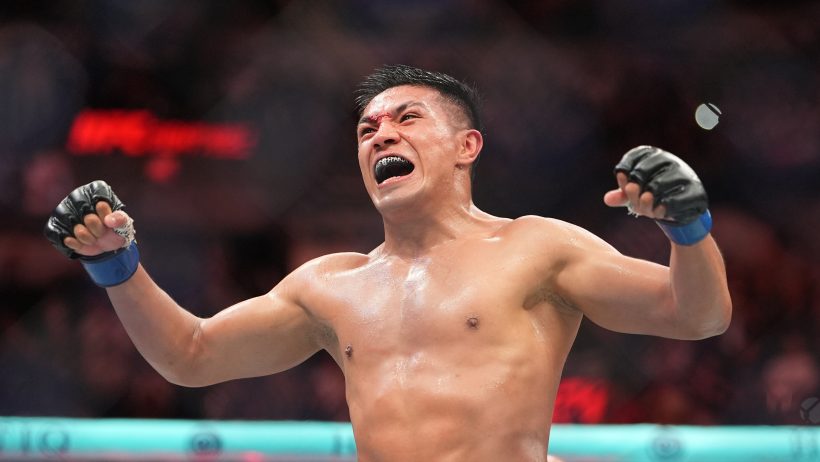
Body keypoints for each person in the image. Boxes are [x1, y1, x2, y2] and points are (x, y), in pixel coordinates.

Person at [45, 65, 732, 462]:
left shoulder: (537, 248)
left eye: (407, 119)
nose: (382, 136)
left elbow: (697, 315)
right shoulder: (330, 284)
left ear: (466, 146)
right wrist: (117, 267)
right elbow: (191, 356)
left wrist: (687, 230)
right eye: (368, 129)